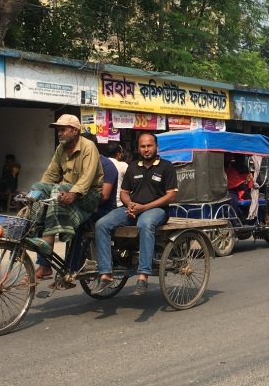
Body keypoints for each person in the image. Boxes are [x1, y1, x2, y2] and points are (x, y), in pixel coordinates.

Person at [93, 132, 179, 296]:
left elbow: (171, 196)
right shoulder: (132, 166)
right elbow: (124, 192)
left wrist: (144, 208)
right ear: (138, 148)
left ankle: (143, 275)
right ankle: (106, 273)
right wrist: (130, 204)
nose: (146, 149)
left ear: (156, 147)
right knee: (102, 224)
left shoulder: (166, 166)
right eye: (142, 146)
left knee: (145, 224)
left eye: (149, 146)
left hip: (156, 210)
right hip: (132, 209)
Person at [29, 114, 104, 281]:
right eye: (58, 130)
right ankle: (33, 230)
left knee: (57, 190)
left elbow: (87, 177)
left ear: (75, 131)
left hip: (89, 194)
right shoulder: (60, 149)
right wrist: (38, 193)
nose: (60, 133)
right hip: (64, 191)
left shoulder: (88, 146)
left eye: (63, 129)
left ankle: (47, 244)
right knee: (38, 188)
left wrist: (74, 193)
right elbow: (50, 175)